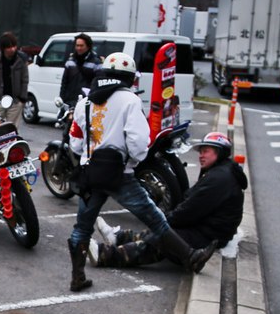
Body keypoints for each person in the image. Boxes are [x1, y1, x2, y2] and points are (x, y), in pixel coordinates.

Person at [66, 52, 210, 292]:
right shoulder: (130, 101)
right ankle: (191, 257)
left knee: (82, 227)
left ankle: (77, 277)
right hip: (120, 175)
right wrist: (131, 161)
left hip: (91, 175)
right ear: (129, 77)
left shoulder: (85, 102)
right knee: (155, 218)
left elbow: (75, 142)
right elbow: (139, 142)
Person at [89, 131, 246, 272]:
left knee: (163, 238)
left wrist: (165, 221)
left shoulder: (219, 179)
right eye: (201, 152)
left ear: (219, 152)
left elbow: (191, 210)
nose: (201, 155)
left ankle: (105, 255)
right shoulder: (221, 172)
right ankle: (118, 237)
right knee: (164, 230)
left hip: (209, 236)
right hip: (208, 231)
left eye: (206, 151)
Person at [0, 31, 29, 125]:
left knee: (11, 130)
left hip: (15, 100)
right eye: (9, 47)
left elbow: (25, 79)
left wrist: (22, 98)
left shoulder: (21, 60)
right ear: (3, 48)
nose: (12, 49)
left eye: (14, 46)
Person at [59, 33, 101, 107]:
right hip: (69, 101)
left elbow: (98, 83)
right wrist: (62, 98)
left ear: (88, 46)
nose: (79, 48)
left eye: (81, 46)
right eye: (77, 45)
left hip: (86, 102)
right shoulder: (70, 61)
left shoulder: (96, 62)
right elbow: (64, 82)